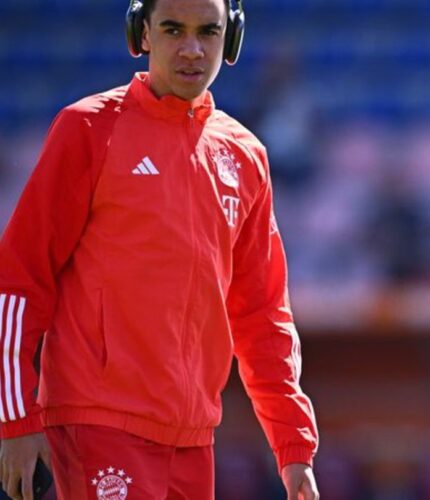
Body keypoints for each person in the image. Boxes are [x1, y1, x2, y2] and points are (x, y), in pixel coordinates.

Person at [0, 0, 319, 498]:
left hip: (193, 441)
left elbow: (263, 316)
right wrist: (16, 420)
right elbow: (19, 281)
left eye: (208, 32)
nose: (192, 49)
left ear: (229, 39)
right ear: (141, 33)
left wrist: (293, 446)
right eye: (173, 29)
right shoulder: (88, 129)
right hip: (100, 427)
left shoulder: (245, 155)